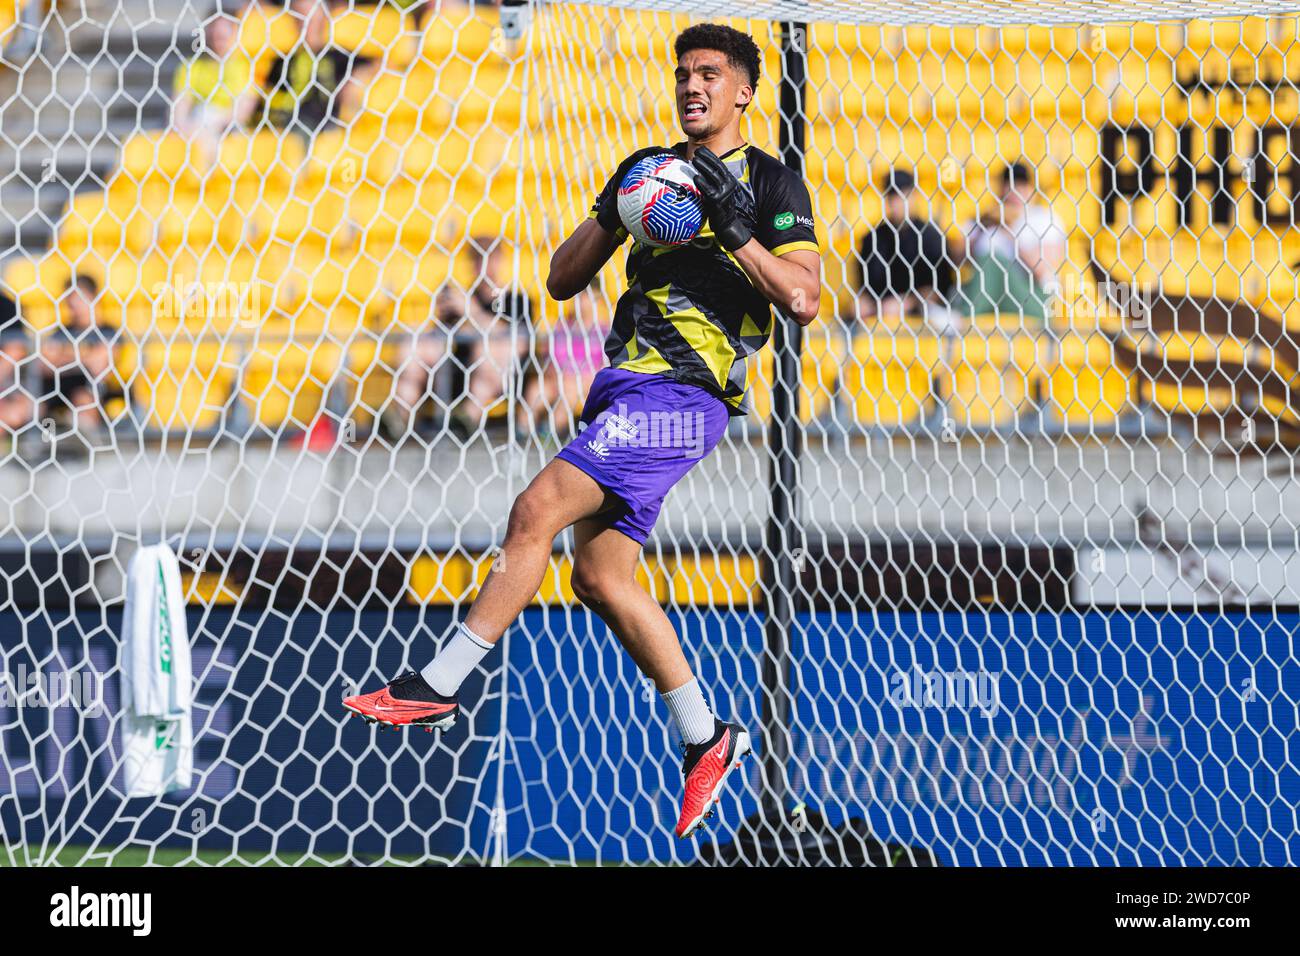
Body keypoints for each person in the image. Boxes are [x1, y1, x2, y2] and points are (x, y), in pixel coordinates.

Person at [343, 23, 821, 840]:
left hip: (686, 393)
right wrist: (618, 205)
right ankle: (706, 734)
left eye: (710, 74)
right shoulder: (648, 172)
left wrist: (732, 225)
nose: (692, 86)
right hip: (624, 388)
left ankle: (441, 682)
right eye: (682, 74)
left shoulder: (772, 184)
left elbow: (804, 297)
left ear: (745, 90)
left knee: (535, 510)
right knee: (599, 577)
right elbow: (563, 280)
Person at [957, 161, 1066, 326]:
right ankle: (964, 314)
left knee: (994, 262)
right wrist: (982, 228)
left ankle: (963, 316)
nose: (1015, 191)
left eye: (1021, 185)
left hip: (1034, 298)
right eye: (1009, 185)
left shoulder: (1045, 219)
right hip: (990, 297)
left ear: (1031, 189)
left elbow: (1042, 269)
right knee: (990, 261)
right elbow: (957, 262)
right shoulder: (985, 219)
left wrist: (1009, 233)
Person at [849, 168, 955, 330]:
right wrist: (866, 304)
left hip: (922, 317)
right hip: (880, 315)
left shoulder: (932, 237)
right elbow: (864, 288)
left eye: (903, 195)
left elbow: (941, 291)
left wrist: (908, 302)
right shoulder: (873, 239)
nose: (897, 202)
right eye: (892, 196)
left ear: (914, 196)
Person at [456, 237, 534, 434]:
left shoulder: (517, 299)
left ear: (499, 260)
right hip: (460, 372)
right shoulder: (460, 299)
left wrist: (473, 314)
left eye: (489, 257)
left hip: (510, 374)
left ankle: (468, 417)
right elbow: (447, 336)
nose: (483, 264)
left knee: (494, 346)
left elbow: (522, 343)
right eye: (477, 258)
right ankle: (399, 413)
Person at [523, 277, 610, 441]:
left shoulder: (604, 331)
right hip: (557, 380)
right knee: (536, 391)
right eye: (579, 295)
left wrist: (576, 379)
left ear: (597, 297)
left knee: (569, 392)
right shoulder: (561, 327)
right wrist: (556, 377)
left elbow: (603, 367)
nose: (581, 301)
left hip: (584, 384)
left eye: (586, 295)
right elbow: (549, 360)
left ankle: (548, 436)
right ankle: (523, 437)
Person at [171, 6, 259, 159]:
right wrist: (183, 126)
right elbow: (180, 105)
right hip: (196, 123)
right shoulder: (192, 66)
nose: (219, 40)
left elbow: (244, 107)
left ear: (235, 34)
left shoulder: (244, 66)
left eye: (223, 36)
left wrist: (217, 124)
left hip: (228, 128)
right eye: (216, 35)